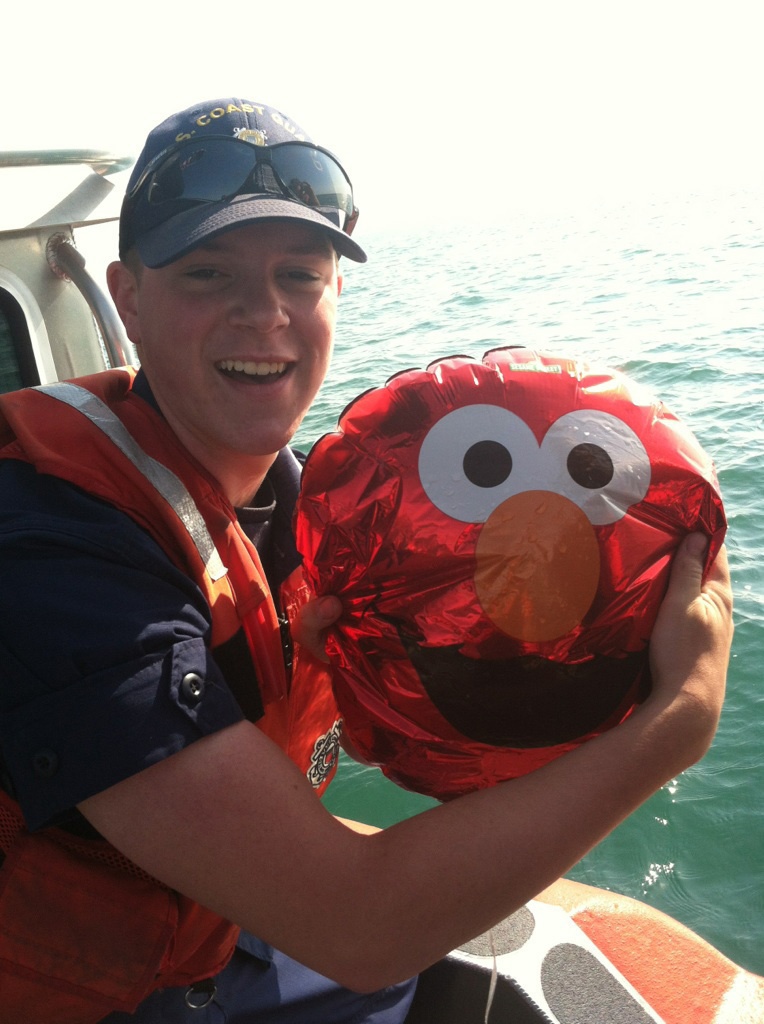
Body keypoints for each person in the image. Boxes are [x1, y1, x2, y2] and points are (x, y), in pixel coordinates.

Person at [0, 97, 733, 1023]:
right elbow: (357, 927)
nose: (262, 314)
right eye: (207, 274)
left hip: (206, 924)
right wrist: (681, 716)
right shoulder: (52, 550)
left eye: (300, 276)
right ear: (129, 298)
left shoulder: (308, 508)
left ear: (336, 297)